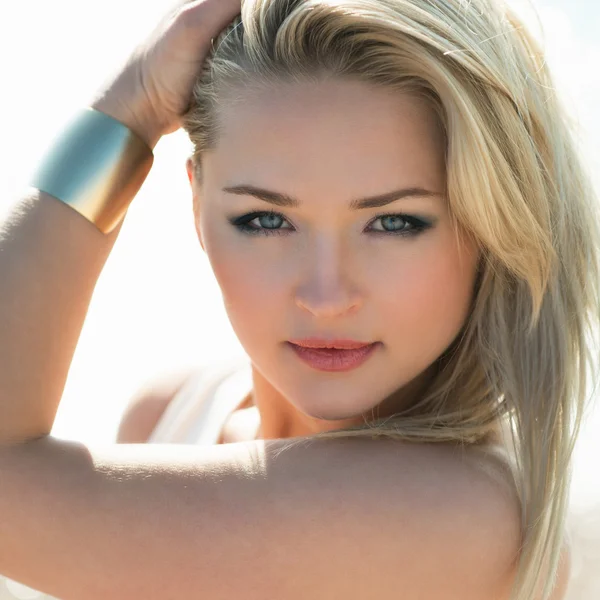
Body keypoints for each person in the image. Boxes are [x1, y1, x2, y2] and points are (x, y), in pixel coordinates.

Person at [0, 0, 593, 597]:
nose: (326, 297)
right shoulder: (171, 411)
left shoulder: (461, 514)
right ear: (197, 210)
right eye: (264, 219)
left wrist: (130, 109)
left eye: (394, 223)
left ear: (491, 225)